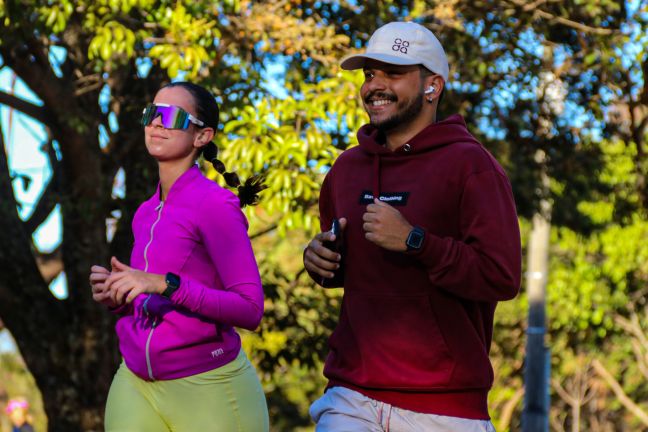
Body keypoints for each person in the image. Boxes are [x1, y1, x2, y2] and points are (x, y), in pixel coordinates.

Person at [303, 21, 521, 431]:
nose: (374, 85)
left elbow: (501, 277)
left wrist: (415, 241)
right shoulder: (346, 169)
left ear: (432, 86)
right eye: (369, 74)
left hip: (444, 409)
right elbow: (350, 273)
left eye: (393, 73)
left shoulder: (472, 167)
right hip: (351, 395)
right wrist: (320, 261)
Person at [89, 82, 269, 432]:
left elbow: (250, 308)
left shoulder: (216, 205)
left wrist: (163, 283)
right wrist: (117, 296)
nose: (156, 123)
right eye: (151, 113)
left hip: (209, 385)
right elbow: (150, 302)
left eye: (170, 116)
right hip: (135, 381)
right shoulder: (144, 212)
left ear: (202, 136)